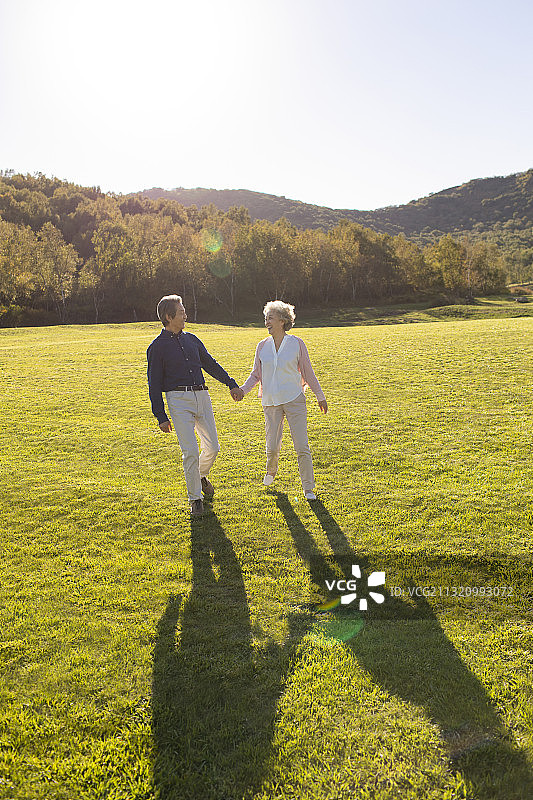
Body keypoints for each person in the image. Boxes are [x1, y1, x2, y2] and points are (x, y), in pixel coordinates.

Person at [147, 294, 243, 516]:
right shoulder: (157, 348)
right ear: (169, 317)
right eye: (181, 312)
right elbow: (154, 384)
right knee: (190, 451)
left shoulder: (192, 340)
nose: (185, 315)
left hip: (202, 397)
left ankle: (199, 476)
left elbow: (210, 364)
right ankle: (195, 500)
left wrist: (230, 383)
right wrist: (160, 415)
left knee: (213, 447)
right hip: (178, 401)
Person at [237, 300, 327, 500]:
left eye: (270, 318)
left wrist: (320, 396)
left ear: (282, 321)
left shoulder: (296, 344)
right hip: (270, 402)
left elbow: (308, 373)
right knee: (272, 445)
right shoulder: (262, 346)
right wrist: (243, 391)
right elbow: (255, 375)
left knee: (301, 445)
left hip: (294, 399)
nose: (266, 322)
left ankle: (308, 488)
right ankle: (271, 471)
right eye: (265, 318)